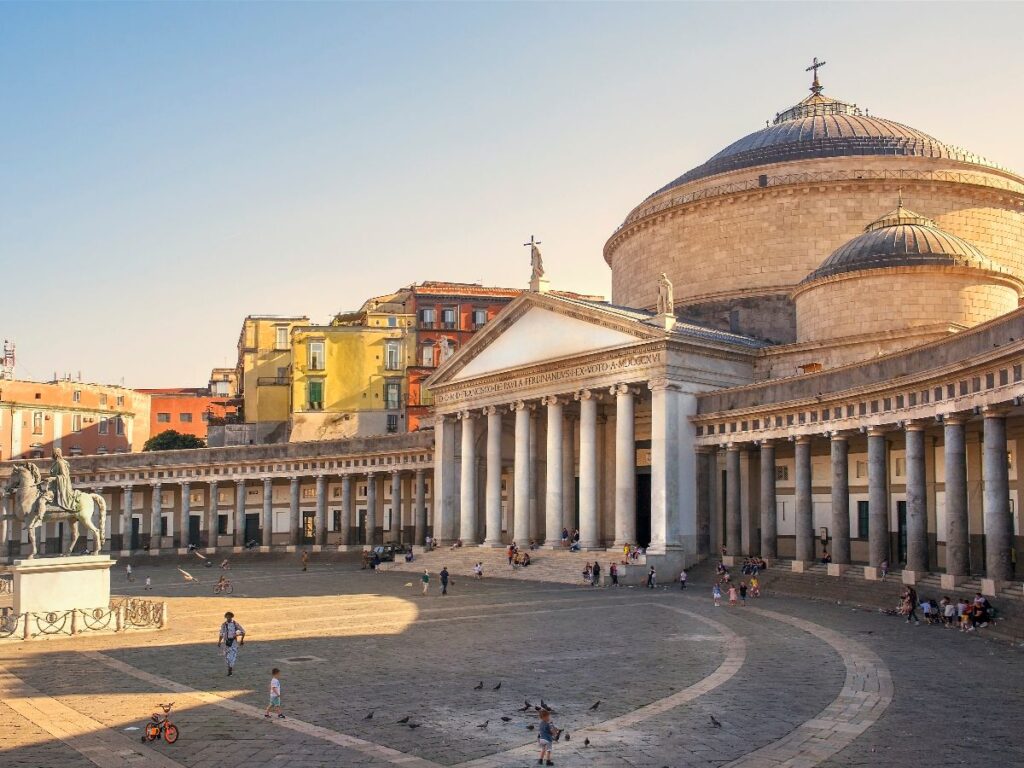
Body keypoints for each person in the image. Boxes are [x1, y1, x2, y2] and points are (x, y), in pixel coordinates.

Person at [218, 611, 245, 676]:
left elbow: (243, 632)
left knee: (232, 656)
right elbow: (221, 633)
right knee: (227, 656)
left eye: (229, 616)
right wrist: (219, 641)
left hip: (233, 642)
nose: (228, 618)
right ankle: (229, 667)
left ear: (231, 617)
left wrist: (239, 638)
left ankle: (230, 669)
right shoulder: (224, 625)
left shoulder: (235, 624)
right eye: (227, 616)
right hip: (226, 643)